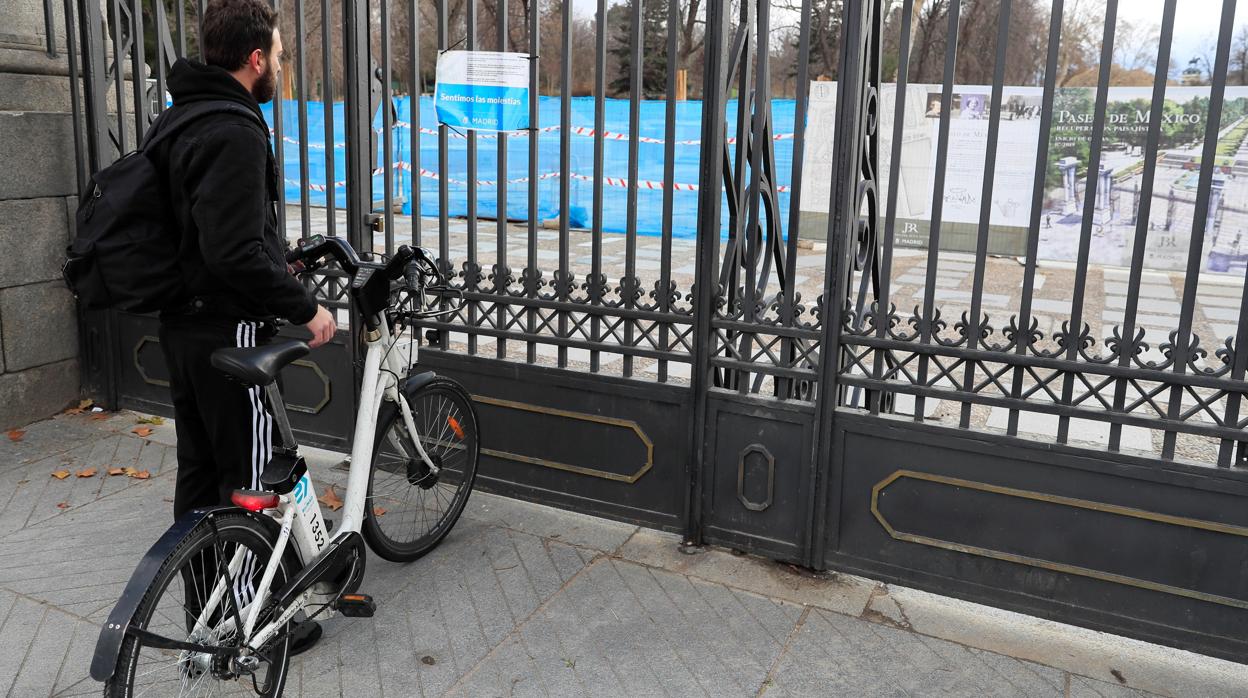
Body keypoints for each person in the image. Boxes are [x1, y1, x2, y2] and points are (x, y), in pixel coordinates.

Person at [153, 0, 334, 654]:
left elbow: (202, 232)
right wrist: (303, 306)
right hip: (232, 334)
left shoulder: (178, 118)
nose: (280, 65)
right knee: (248, 479)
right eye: (278, 55)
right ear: (255, 59)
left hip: (183, 328)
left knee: (199, 480)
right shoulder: (237, 127)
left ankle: (209, 614)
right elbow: (231, 252)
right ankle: (257, 625)